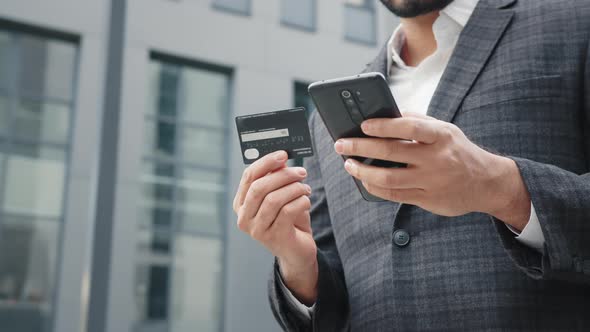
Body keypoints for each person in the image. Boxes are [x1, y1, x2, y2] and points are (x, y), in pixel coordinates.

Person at [233, 0, 590, 330]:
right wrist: (298, 264)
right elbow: (330, 307)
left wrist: (501, 187)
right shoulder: (324, 120)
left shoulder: (576, 21)